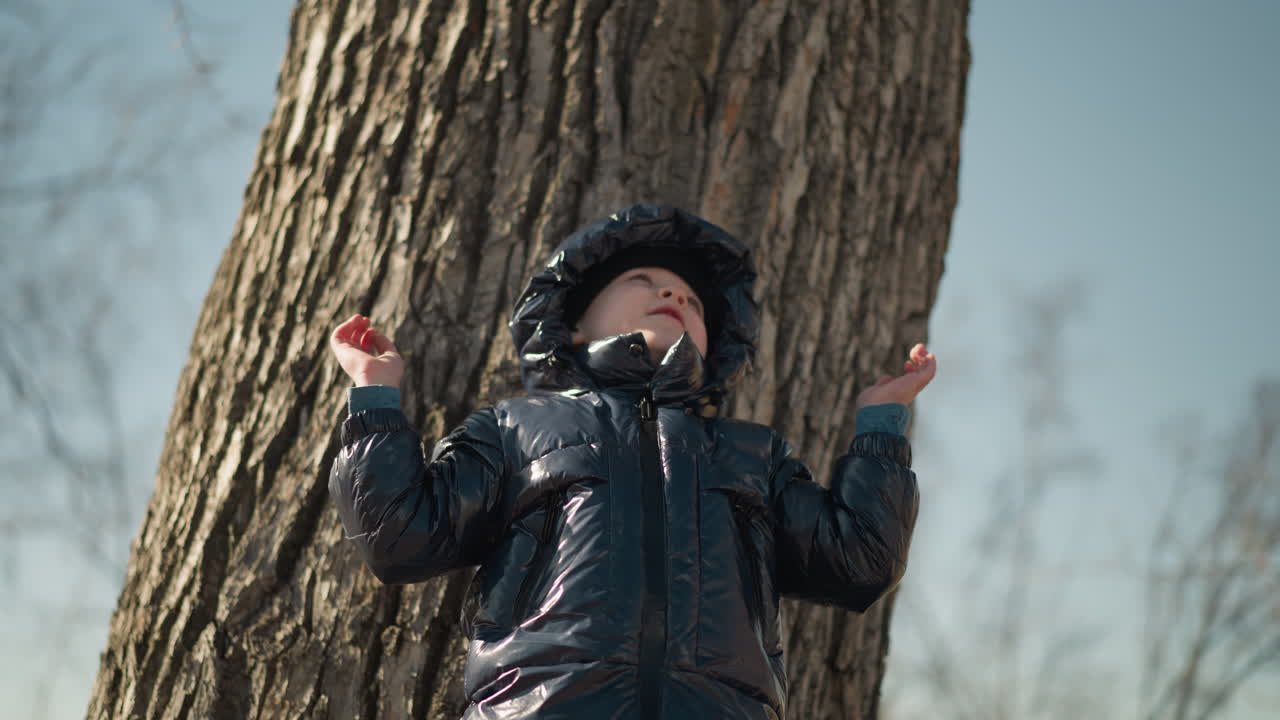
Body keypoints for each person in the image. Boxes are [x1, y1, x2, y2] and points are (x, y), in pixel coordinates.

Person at [327, 203, 935, 719]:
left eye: (693, 300)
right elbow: (402, 536)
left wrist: (881, 425)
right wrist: (376, 397)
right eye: (642, 280)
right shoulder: (515, 429)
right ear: (571, 328)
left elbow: (857, 562)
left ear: (710, 344)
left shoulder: (753, 452)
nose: (673, 294)